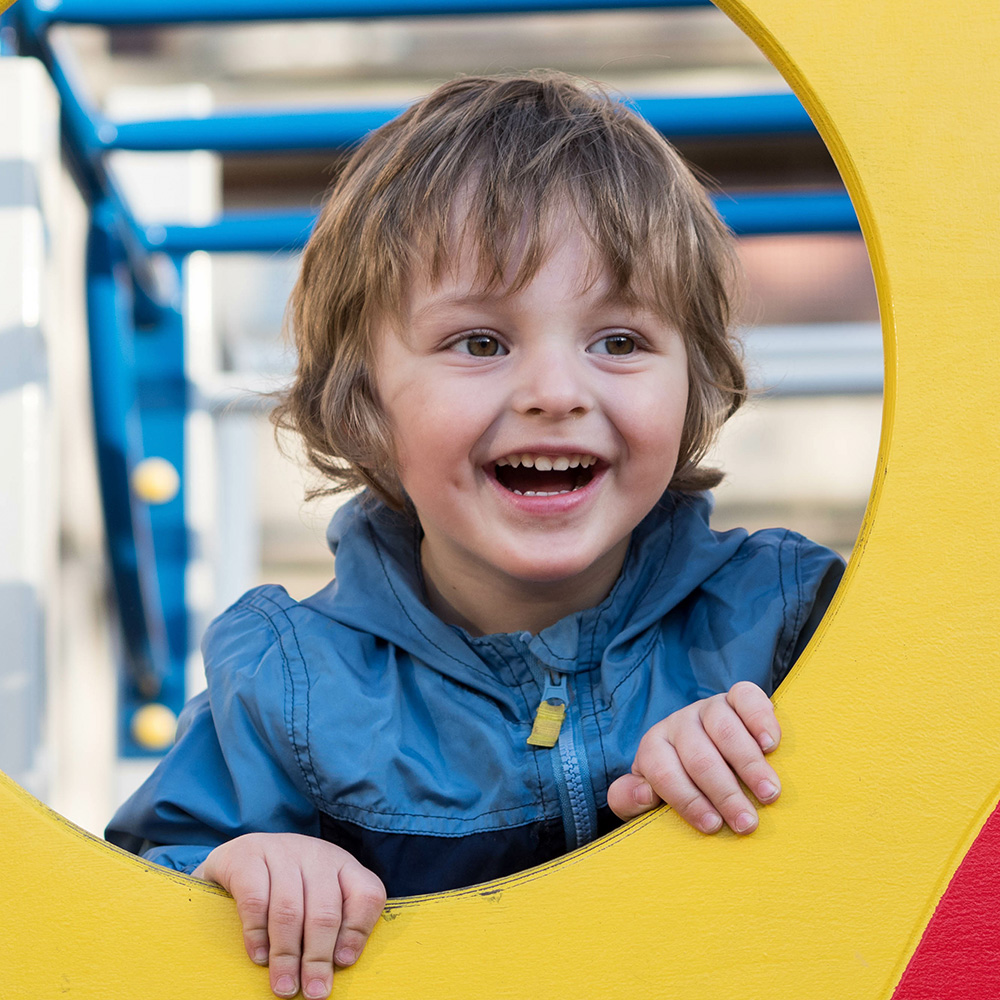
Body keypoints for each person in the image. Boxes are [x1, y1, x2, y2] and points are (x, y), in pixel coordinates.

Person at [106, 71, 844, 1000]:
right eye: (481, 343)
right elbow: (130, 897)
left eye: (618, 340)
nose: (555, 390)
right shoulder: (290, 686)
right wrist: (246, 867)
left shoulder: (781, 621)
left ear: (693, 380)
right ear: (366, 399)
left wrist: (782, 757)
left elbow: (926, 808)